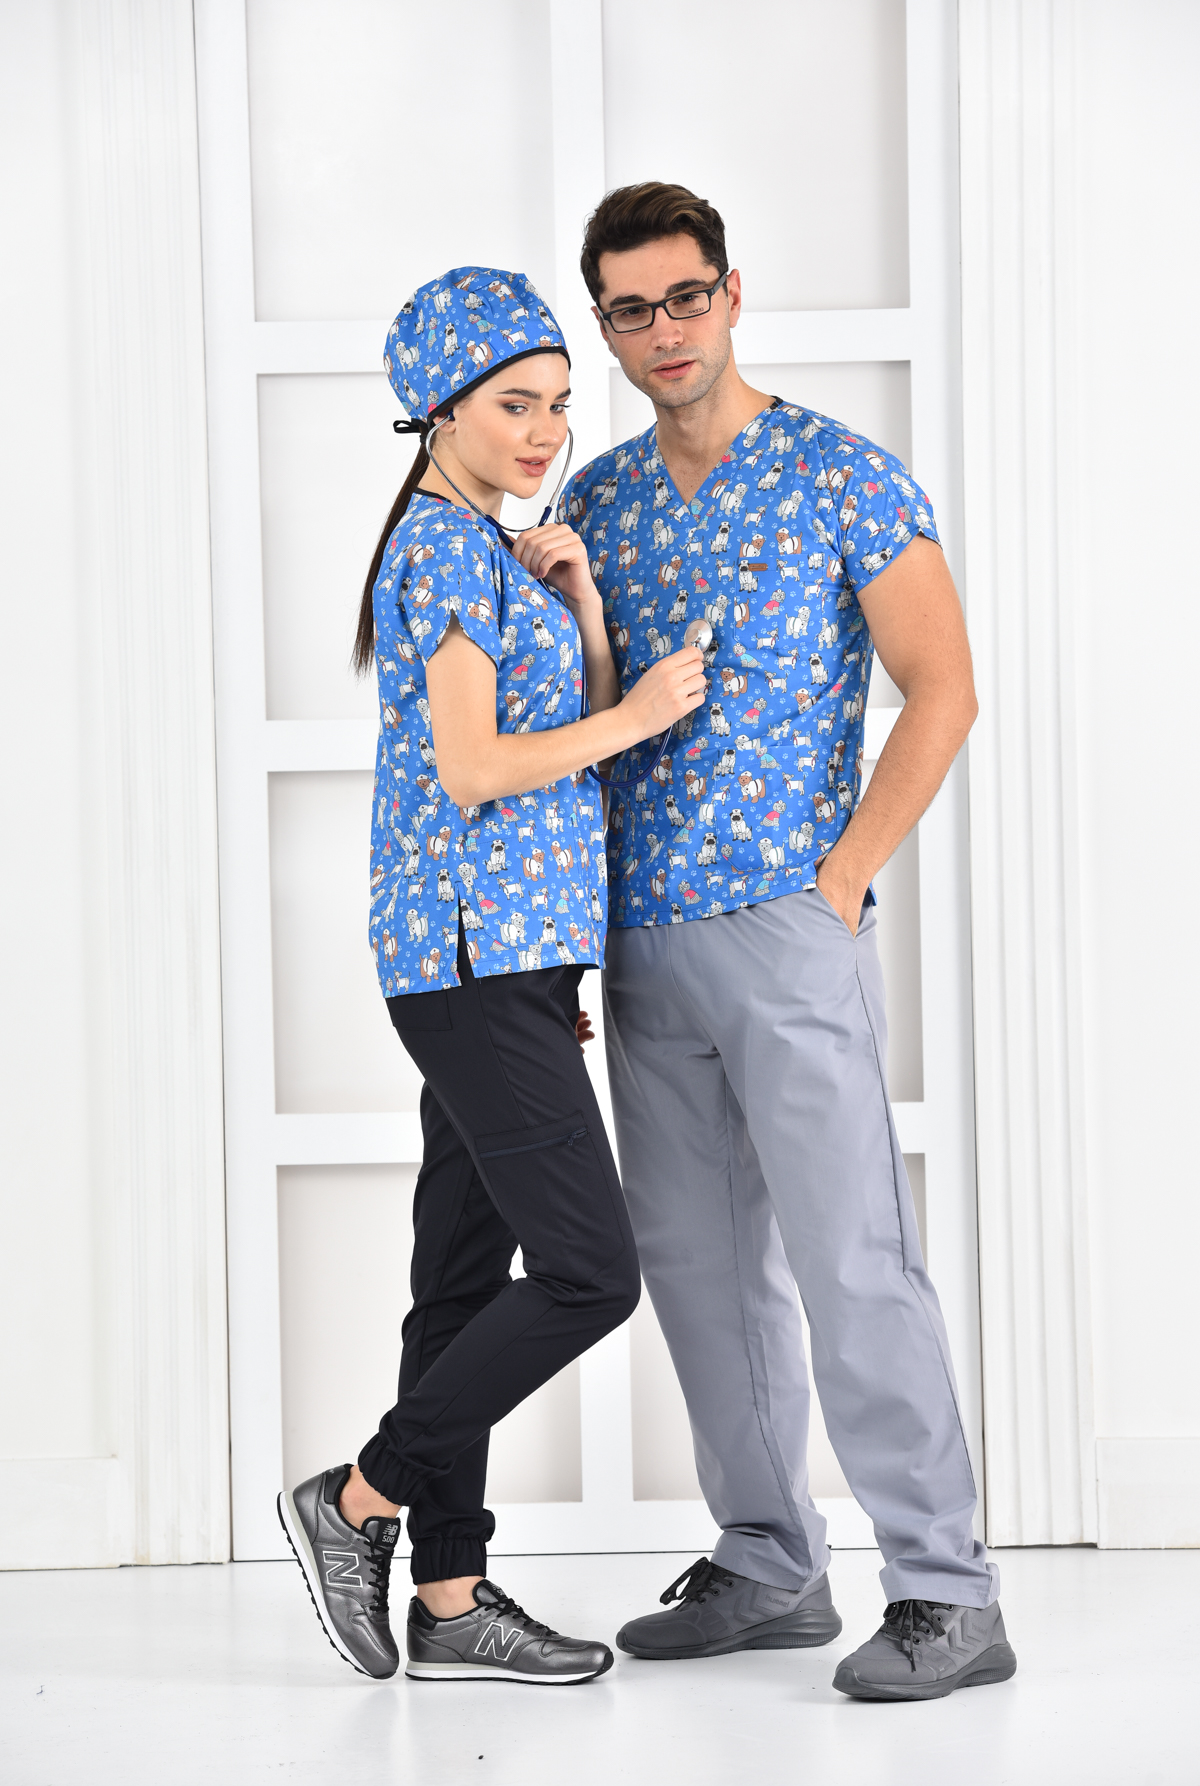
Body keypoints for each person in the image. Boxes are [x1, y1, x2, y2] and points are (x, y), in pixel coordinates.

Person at [560, 185, 1017, 1702]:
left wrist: (843, 880)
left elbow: (942, 688)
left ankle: (946, 1592)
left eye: (685, 297)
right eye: (632, 309)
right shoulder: (602, 504)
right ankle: (769, 1563)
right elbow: (585, 729)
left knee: (850, 1261)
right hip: (642, 938)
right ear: (607, 326)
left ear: (733, 294)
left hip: (786, 922)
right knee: (697, 1273)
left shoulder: (840, 475)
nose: (664, 330)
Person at [277, 266, 705, 1686]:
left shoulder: (492, 549)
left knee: (460, 1282)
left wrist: (580, 604)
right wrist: (640, 711)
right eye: (515, 405)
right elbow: (474, 770)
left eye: (560, 406)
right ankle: (359, 1499)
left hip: (506, 961)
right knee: (590, 1272)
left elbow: (547, 733)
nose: (545, 433)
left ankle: (452, 1601)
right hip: (469, 958)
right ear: (440, 408)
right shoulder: (445, 552)